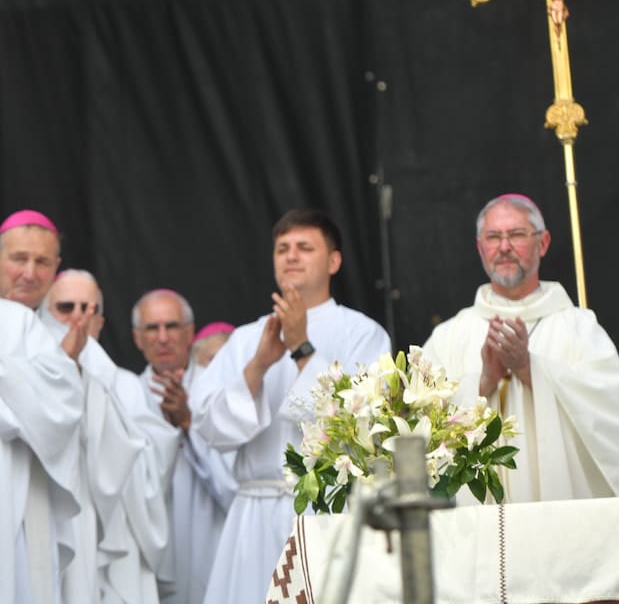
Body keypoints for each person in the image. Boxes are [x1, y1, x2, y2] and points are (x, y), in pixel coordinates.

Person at [189, 209, 390, 604]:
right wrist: (258, 365)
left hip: (326, 512)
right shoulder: (247, 339)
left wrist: (301, 348)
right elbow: (208, 424)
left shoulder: (362, 333)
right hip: (253, 514)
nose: (291, 256)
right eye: (283, 248)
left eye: (304, 247)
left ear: (333, 261)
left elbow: (365, 425)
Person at [423, 193, 619, 501]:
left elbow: (612, 416)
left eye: (517, 234)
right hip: (476, 527)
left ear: (543, 243)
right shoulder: (450, 335)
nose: (504, 247)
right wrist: (483, 383)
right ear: (481, 248)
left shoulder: (580, 328)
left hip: (563, 513)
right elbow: (419, 425)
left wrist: (530, 368)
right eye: (493, 237)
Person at [0, 195, 85, 604]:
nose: (28, 273)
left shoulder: (12, 320)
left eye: (42, 262)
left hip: (1, 497)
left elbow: (61, 403)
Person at [41, 270, 180, 604]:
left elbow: (155, 461)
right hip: (55, 523)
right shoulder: (34, 376)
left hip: (118, 530)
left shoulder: (127, 385)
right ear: (45, 315)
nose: (77, 318)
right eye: (66, 307)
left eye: (88, 309)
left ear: (100, 322)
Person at [132, 290, 235, 604]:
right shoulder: (125, 393)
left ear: (190, 333)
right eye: (152, 328)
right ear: (137, 338)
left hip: (212, 542)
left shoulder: (220, 387)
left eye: (172, 326)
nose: (163, 338)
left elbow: (237, 482)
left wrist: (190, 423)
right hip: (152, 553)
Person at [0, 209, 62, 309]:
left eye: (41, 262)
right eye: (20, 259)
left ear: (55, 267)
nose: (30, 275)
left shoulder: (66, 323)